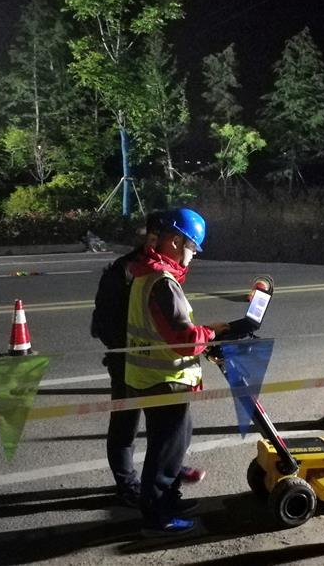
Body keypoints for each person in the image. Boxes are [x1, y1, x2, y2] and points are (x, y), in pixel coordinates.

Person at [124, 207, 227, 537]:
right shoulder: (162, 282)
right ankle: (156, 518)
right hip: (163, 380)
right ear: (174, 241)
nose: (192, 256)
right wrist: (212, 333)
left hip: (152, 378)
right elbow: (183, 340)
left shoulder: (146, 274)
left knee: (175, 441)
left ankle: (169, 499)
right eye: (192, 247)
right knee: (164, 450)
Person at [90, 212, 204, 509]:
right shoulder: (129, 270)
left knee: (168, 429)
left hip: (152, 363)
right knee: (125, 426)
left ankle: (168, 468)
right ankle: (128, 484)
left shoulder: (158, 267)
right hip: (127, 359)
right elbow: (105, 321)